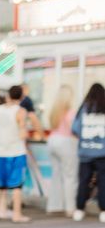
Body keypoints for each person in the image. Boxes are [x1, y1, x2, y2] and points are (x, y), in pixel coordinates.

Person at [0, 85, 30, 223]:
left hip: (0, 152)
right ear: (21, 97)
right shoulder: (21, 111)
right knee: (16, 185)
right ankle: (17, 215)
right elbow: (23, 133)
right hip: (17, 151)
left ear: (9, 95)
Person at [72, 82, 105, 223]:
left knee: (83, 181)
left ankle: (79, 209)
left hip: (85, 151)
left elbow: (75, 128)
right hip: (102, 153)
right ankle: (103, 211)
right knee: (103, 183)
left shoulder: (83, 108)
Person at [46, 85, 78, 217]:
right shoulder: (70, 112)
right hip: (66, 142)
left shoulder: (54, 112)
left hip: (52, 141)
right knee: (70, 176)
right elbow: (74, 130)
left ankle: (53, 206)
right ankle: (70, 208)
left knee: (56, 175)